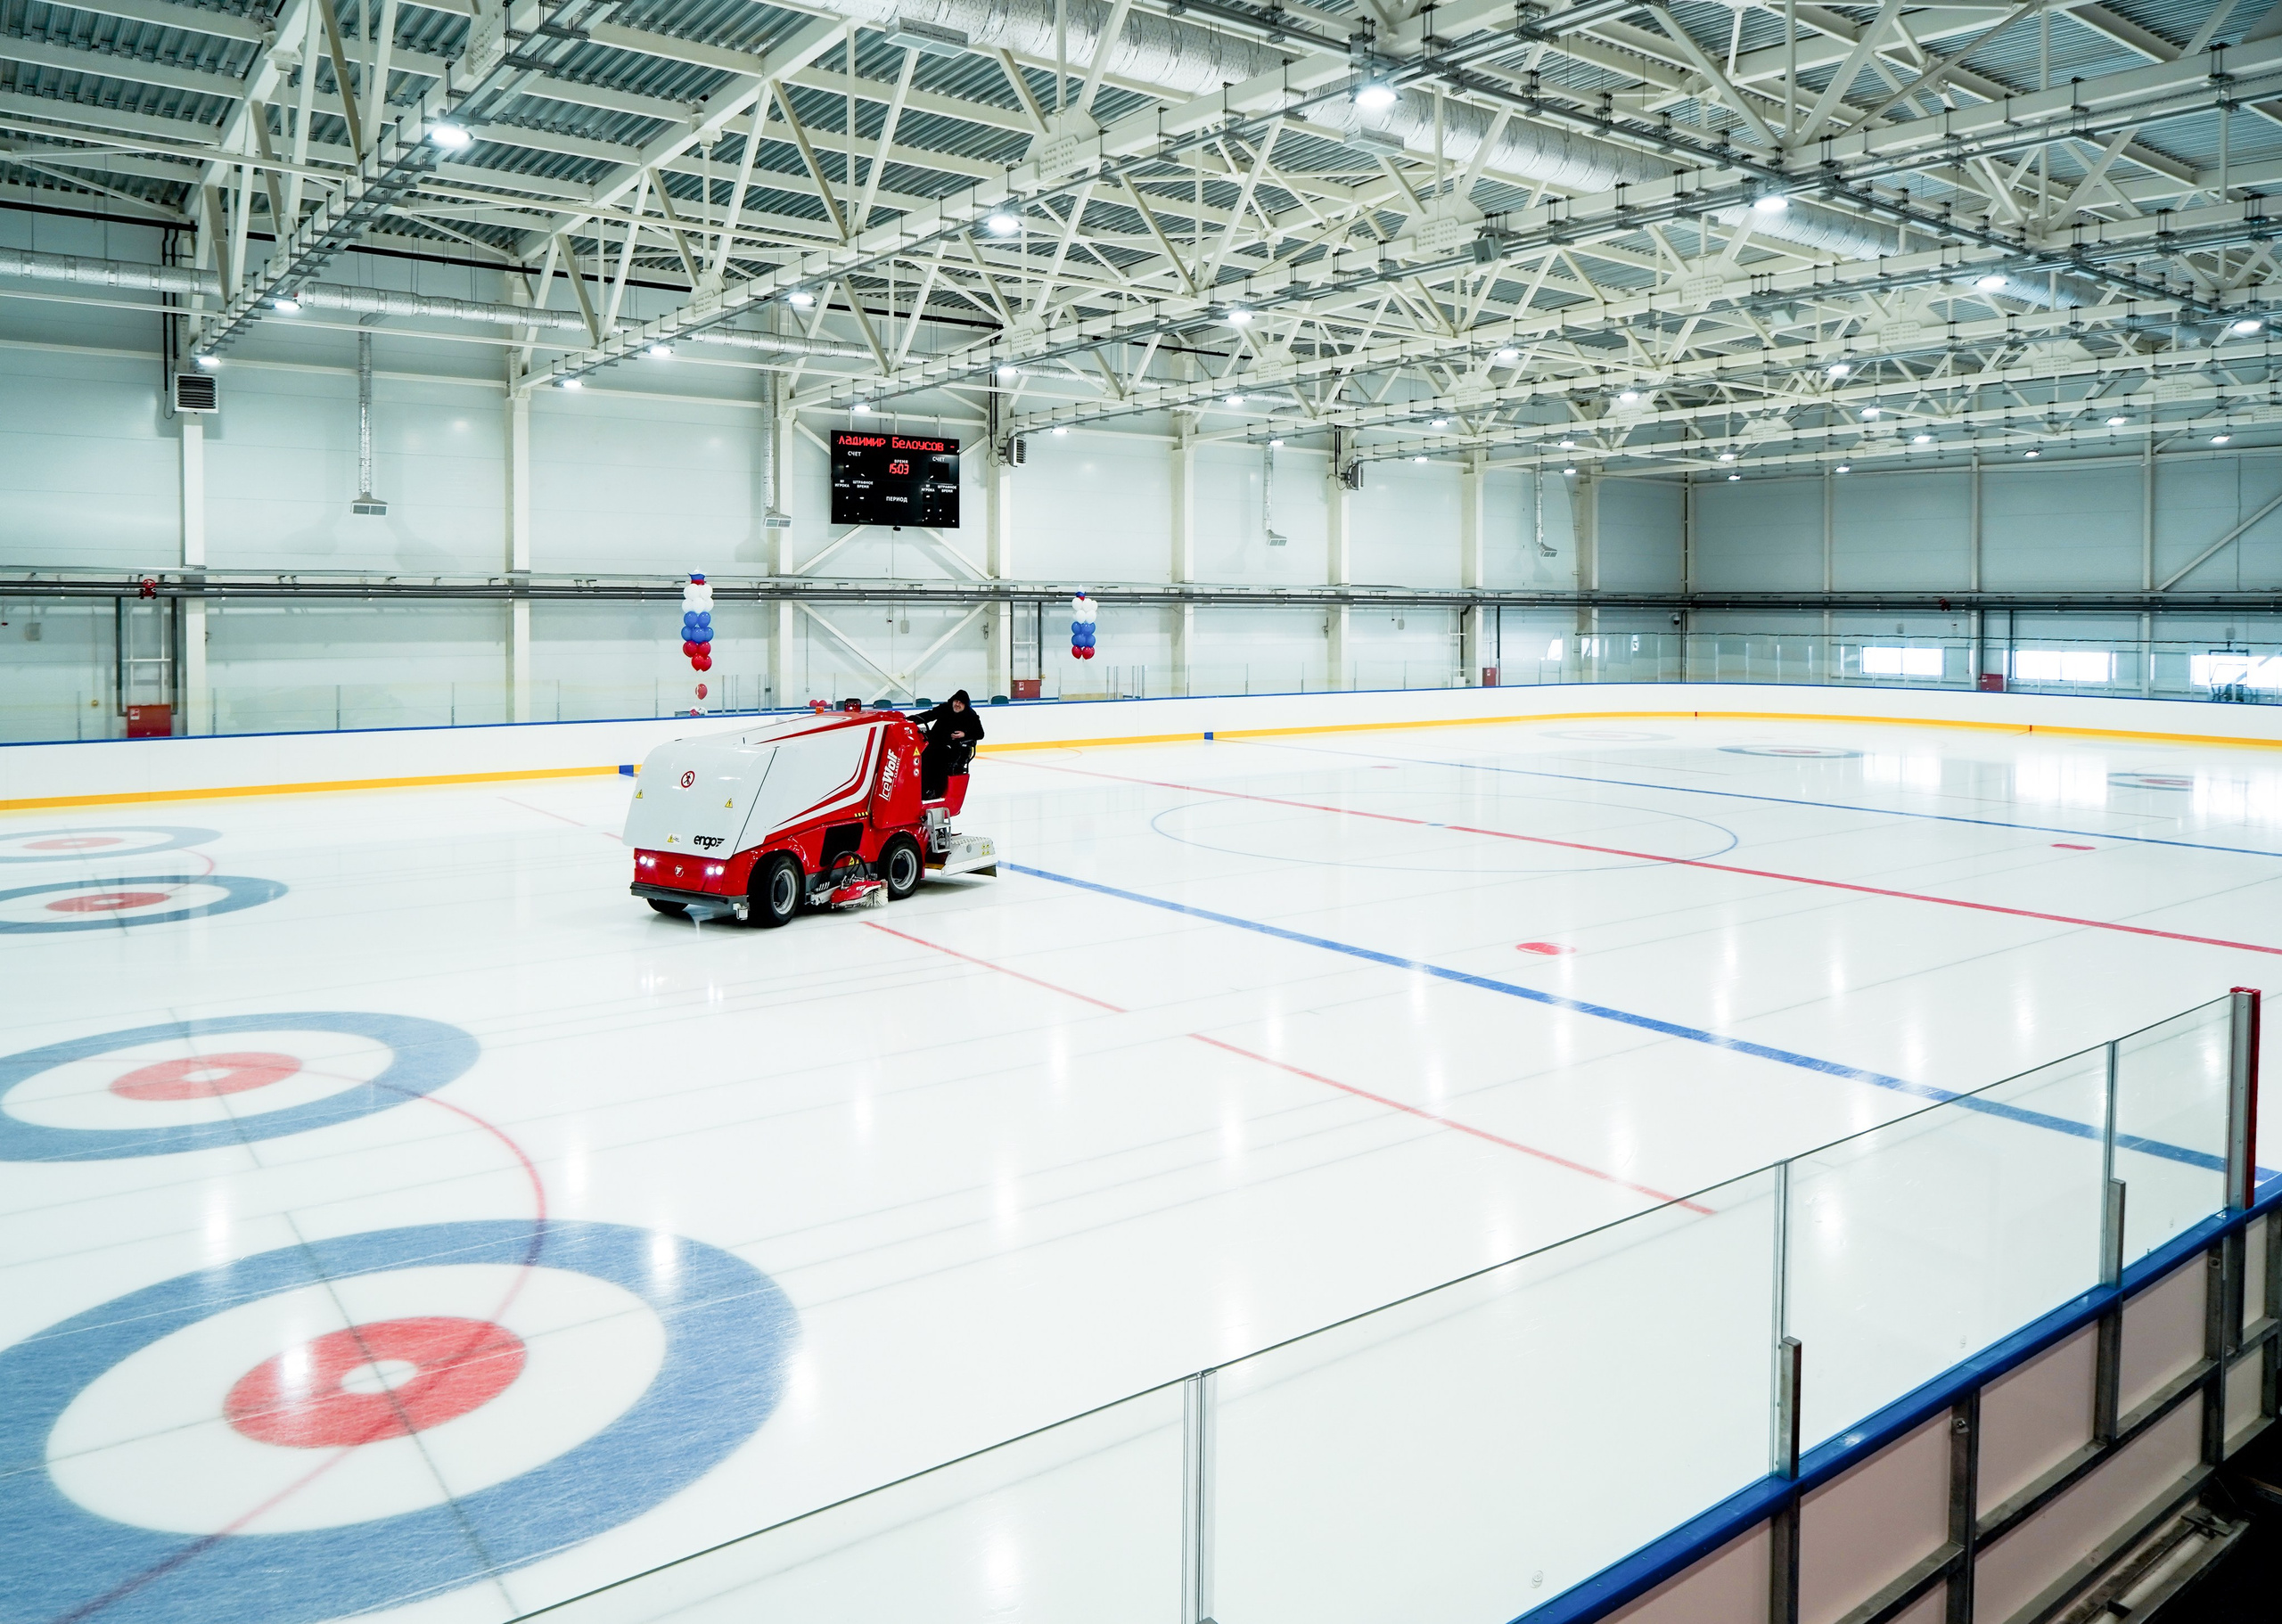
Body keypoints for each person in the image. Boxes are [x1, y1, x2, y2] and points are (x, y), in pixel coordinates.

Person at [909, 689, 984, 800]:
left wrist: (965, 734)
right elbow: (929, 715)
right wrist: (910, 720)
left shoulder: (971, 716)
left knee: (940, 761)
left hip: (955, 748)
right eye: (956, 701)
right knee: (922, 758)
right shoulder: (945, 708)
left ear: (965, 705)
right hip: (936, 742)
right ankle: (920, 789)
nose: (957, 704)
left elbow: (980, 734)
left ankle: (935, 790)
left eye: (961, 703)